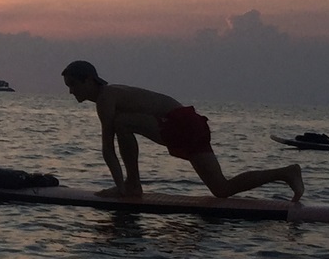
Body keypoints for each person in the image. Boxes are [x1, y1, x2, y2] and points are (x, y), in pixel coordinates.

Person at [61, 60, 304, 200]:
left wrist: (120, 189)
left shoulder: (106, 98)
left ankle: (132, 184)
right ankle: (286, 173)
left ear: (89, 80)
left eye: (73, 84)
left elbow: (107, 148)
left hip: (181, 123)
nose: (71, 91)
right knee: (222, 189)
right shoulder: (112, 94)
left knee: (121, 122)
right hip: (190, 123)